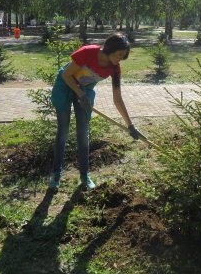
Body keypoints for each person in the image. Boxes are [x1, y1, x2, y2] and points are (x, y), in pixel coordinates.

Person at [49, 33, 143, 190]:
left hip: (84, 93)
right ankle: (56, 174)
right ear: (110, 49)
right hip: (65, 86)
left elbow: (117, 99)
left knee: (83, 133)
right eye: (119, 54)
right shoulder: (88, 52)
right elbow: (66, 74)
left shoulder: (115, 68)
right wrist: (80, 94)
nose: (120, 59)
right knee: (63, 130)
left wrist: (130, 125)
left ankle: (84, 176)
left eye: (123, 56)